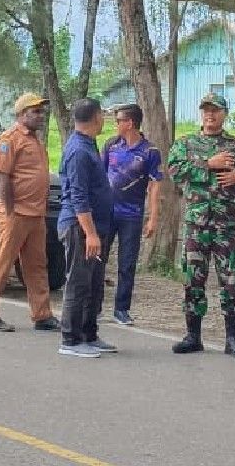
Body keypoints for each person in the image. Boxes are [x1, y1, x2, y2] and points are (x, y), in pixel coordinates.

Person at [166, 93, 235, 359]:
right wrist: (208, 165)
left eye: (215, 111)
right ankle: (193, 335)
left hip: (226, 227)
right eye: (206, 110)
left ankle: (232, 339)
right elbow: (175, 171)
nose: (210, 115)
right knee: (193, 280)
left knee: (231, 282)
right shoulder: (185, 144)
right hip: (197, 225)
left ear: (224, 114)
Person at [0, 93, 59, 332]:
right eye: (35, 111)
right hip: (15, 213)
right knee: (2, 262)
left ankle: (42, 315)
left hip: (35, 214)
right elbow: (2, 177)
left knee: (36, 265)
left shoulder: (34, 139)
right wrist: (10, 209)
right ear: (22, 114)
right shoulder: (9, 139)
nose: (40, 116)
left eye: (42, 111)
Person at [56, 97, 116, 358]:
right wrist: (90, 233)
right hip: (80, 227)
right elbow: (78, 195)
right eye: (103, 114)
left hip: (97, 225)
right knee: (78, 282)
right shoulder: (79, 150)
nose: (105, 119)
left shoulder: (89, 144)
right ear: (95, 117)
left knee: (93, 283)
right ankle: (70, 339)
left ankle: (88, 333)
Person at [101, 103, 162, 326]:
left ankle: (121, 309)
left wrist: (153, 217)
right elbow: (100, 176)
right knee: (99, 259)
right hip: (107, 212)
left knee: (127, 263)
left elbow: (155, 186)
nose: (116, 124)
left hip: (132, 215)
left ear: (130, 123)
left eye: (119, 120)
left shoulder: (150, 152)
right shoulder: (110, 145)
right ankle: (95, 306)